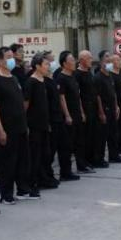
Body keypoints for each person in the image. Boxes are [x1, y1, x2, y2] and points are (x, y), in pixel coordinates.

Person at [0, 46, 35, 203]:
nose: (11, 60)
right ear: (0, 61)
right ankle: (6, 194)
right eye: (8, 57)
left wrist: (25, 124)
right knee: (7, 163)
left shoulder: (14, 78)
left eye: (12, 57)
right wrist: (0, 130)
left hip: (20, 126)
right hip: (7, 128)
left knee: (23, 160)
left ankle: (23, 189)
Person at [24, 54, 57, 191]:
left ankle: (44, 178)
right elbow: (25, 105)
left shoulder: (43, 81)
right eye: (46, 64)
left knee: (45, 153)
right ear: (37, 66)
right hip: (34, 125)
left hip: (44, 124)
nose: (48, 67)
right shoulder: (31, 82)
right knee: (35, 155)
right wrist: (25, 124)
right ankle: (32, 182)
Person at [56, 51, 92, 174]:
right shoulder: (61, 78)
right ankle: (65, 171)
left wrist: (82, 112)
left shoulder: (72, 76)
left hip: (77, 114)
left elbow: (78, 96)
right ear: (64, 63)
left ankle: (81, 165)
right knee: (68, 144)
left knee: (79, 141)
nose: (74, 62)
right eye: (71, 60)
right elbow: (62, 98)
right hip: (69, 115)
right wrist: (67, 115)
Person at [43, 51, 72, 183]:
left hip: (59, 118)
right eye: (48, 62)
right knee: (51, 150)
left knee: (65, 146)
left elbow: (60, 99)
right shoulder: (43, 82)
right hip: (51, 119)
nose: (51, 64)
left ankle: (66, 172)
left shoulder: (53, 79)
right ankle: (47, 176)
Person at [75, 50, 106, 169]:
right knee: (85, 137)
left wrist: (100, 110)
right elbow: (77, 95)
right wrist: (82, 112)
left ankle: (94, 159)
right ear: (82, 60)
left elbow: (96, 93)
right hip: (85, 109)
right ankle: (84, 161)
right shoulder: (77, 74)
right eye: (89, 58)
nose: (91, 61)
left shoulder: (89, 73)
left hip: (94, 108)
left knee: (95, 136)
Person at [95, 51, 121, 164]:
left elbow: (114, 93)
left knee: (114, 134)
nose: (109, 60)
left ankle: (114, 155)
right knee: (103, 136)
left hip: (113, 109)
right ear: (101, 61)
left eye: (109, 58)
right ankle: (100, 158)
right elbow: (98, 96)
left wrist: (116, 106)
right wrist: (101, 112)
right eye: (106, 58)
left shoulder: (110, 76)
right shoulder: (98, 77)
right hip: (105, 109)